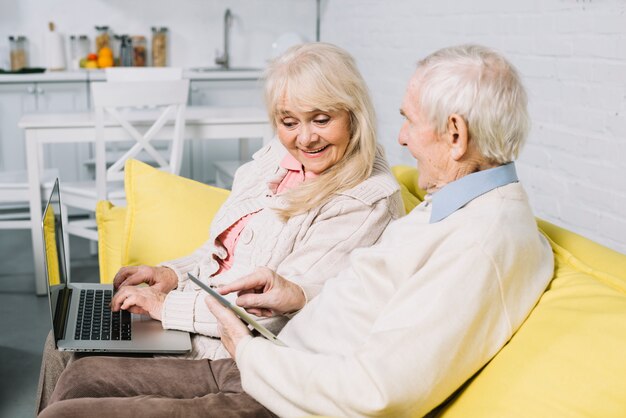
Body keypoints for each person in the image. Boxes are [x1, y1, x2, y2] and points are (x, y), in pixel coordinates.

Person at [39, 44, 554, 418]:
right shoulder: (457, 206)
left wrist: (246, 343)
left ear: (456, 134)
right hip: (274, 362)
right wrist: (182, 278)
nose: (401, 137)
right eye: (288, 121)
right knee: (76, 361)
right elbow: (343, 295)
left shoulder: (477, 238)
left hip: (274, 377)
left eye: (410, 120)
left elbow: (379, 387)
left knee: (71, 383)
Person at [35, 42, 403, 413]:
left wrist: (163, 306)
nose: (304, 138)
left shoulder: (364, 201)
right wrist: (170, 274)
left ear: (354, 114)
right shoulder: (278, 159)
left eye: (322, 119)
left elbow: (270, 314)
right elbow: (219, 252)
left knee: (76, 349)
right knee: (65, 333)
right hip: (194, 314)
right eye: (289, 122)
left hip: (225, 346)